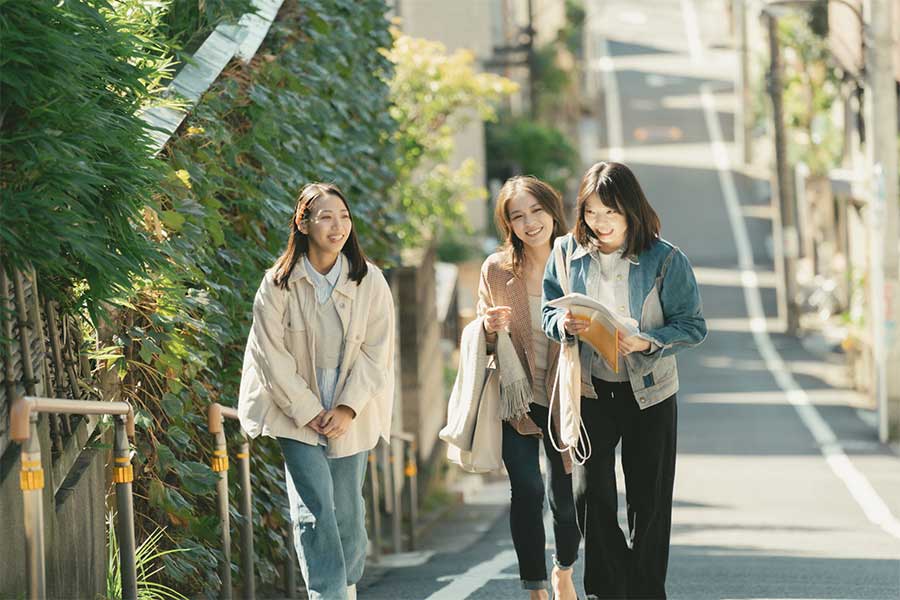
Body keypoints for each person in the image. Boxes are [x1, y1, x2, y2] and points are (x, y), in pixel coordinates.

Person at [541, 162, 707, 599]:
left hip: (649, 391)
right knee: (589, 493)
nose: (600, 223)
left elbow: (692, 325)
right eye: (592, 213)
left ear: (631, 211)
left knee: (647, 501)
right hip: (590, 388)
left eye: (610, 214)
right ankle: (612, 589)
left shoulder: (666, 259)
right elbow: (547, 311)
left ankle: (645, 590)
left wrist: (647, 341)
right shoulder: (564, 252)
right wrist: (564, 326)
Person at [238, 183, 395, 600]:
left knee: (348, 512)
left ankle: (346, 588)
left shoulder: (370, 281)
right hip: (295, 410)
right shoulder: (278, 283)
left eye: (343, 216)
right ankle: (326, 595)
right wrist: (307, 410)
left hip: (350, 407)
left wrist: (346, 408)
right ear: (303, 223)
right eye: (325, 217)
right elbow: (269, 354)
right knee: (314, 509)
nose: (337, 226)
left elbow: (378, 352)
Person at [478, 176, 581, 600]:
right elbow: (482, 338)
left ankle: (564, 571)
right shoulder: (496, 269)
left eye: (536, 211)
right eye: (517, 216)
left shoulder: (580, 261)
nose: (530, 222)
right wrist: (487, 328)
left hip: (569, 394)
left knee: (566, 493)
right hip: (516, 397)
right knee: (527, 490)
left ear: (552, 210)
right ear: (508, 224)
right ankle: (536, 587)